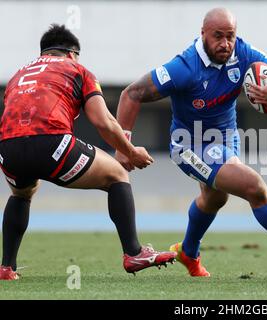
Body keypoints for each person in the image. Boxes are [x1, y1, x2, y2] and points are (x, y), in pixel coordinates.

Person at [116, 8, 267, 277]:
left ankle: (188, 252)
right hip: (189, 144)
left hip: (226, 138)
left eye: (230, 36)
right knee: (254, 186)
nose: (225, 43)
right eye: (217, 36)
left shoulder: (243, 53)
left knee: (214, 198)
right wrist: (123, 147)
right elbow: (132, 94)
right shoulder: (184, 67)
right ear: (203, 34)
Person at [0, 24, 176, 280]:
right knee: (117, 174)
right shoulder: (77, 69)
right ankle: (134, 252)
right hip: (51, 143)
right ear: (72, 53)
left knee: (22, 192)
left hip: (8, 149)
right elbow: (103, 121)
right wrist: (130, 151)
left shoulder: (18, 75)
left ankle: (6, 267)